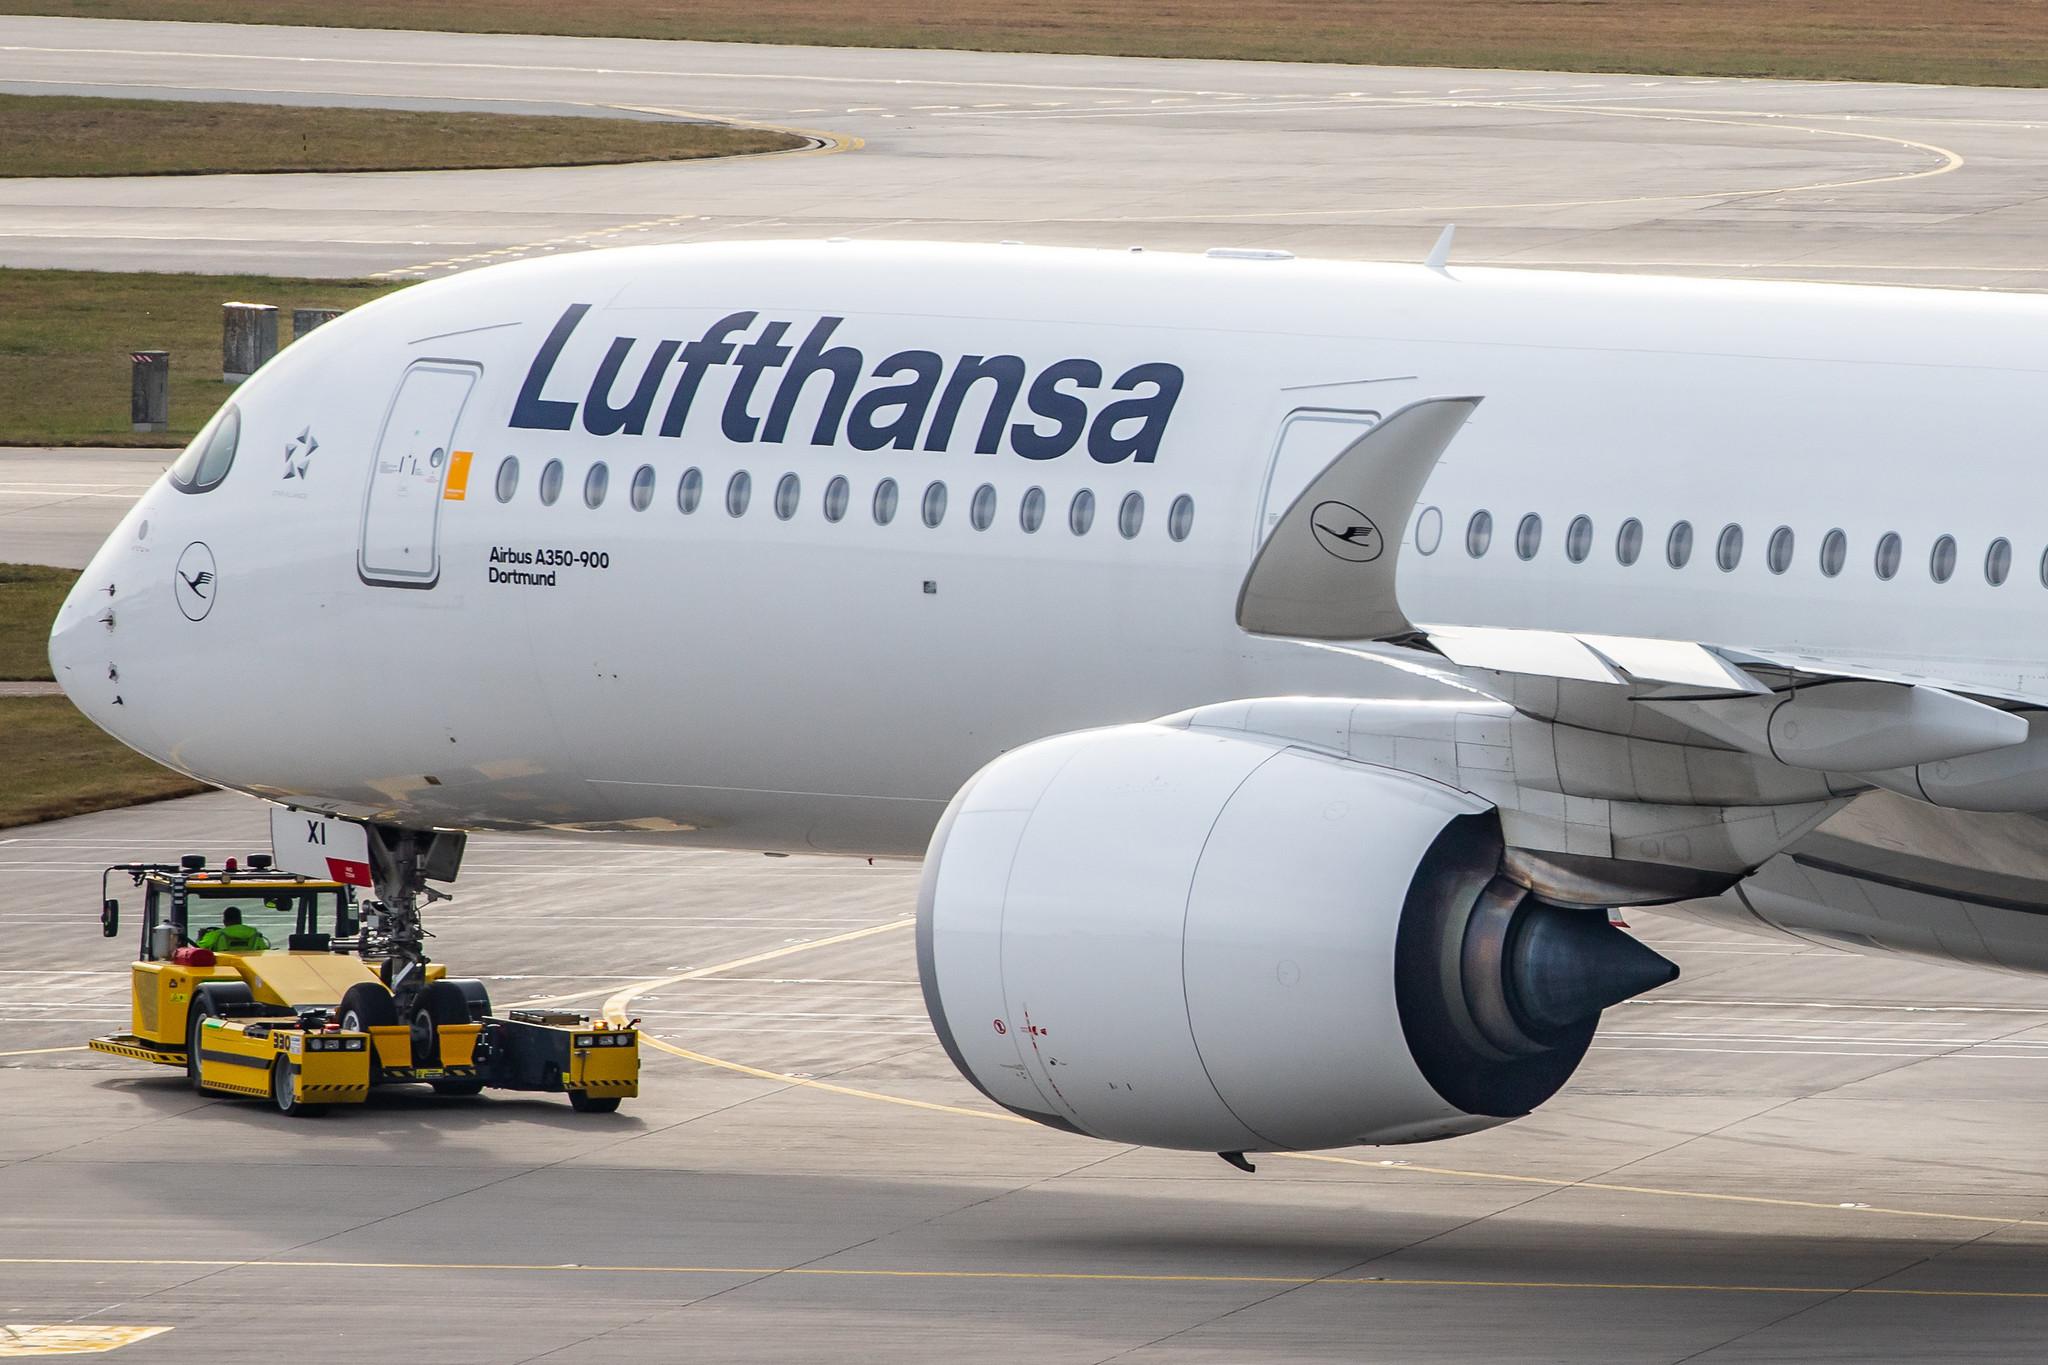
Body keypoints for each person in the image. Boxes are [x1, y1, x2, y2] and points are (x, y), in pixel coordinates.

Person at [197, 906, 269, 952]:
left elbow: (199, 949)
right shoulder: (255, 934)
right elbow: (264, 950)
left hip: (224, 968)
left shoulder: (215, 935)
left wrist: (200, 938)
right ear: (240, 920)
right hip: (250, 967)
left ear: (224, 921)